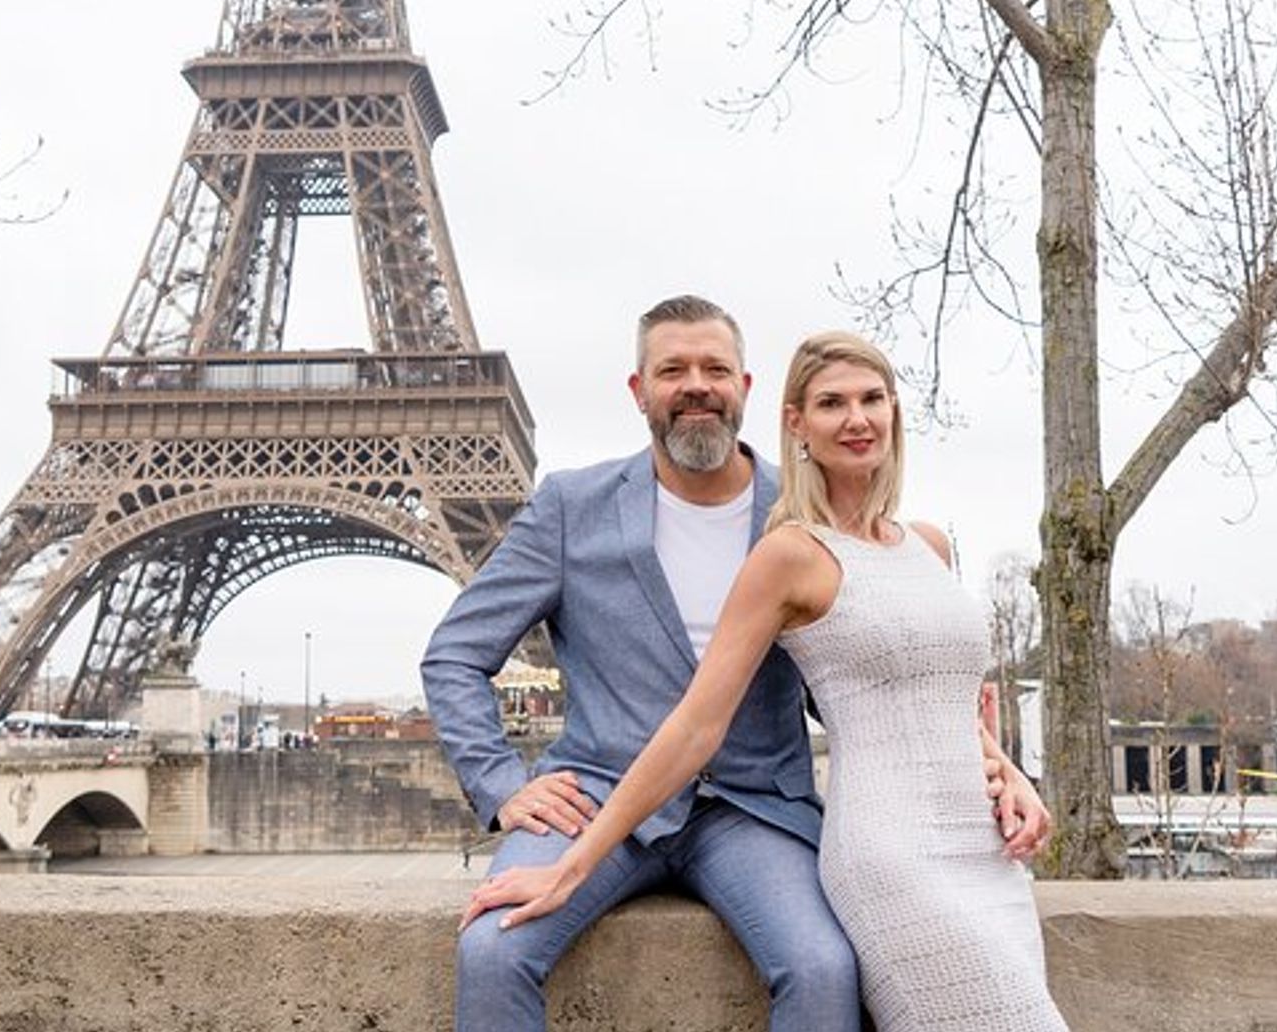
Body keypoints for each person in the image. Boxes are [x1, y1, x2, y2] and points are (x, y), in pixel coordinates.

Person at [424, 298, 1049, 1032]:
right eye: (673, 370)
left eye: (715, 369)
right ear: (639, 390)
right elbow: (455, 654)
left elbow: (872, 674)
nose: (697, 384)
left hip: (755, 809)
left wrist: (995, 766)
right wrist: (502, 786)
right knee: (493, 953)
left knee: (824, 969)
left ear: (747, 389)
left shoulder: (810, 517)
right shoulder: (571, 507)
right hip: (598, 796)